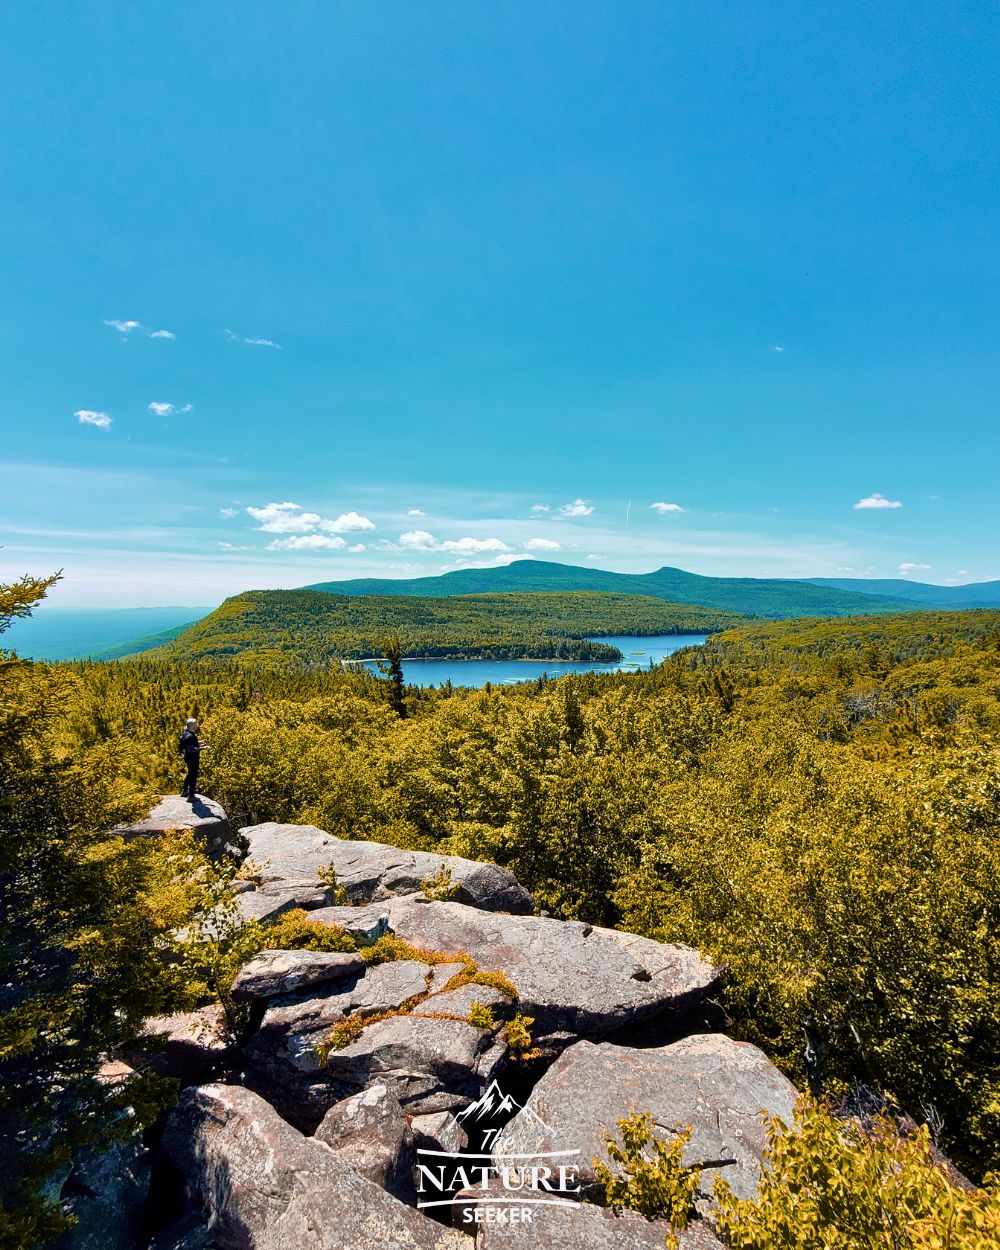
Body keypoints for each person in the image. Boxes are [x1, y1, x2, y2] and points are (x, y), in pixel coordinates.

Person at [179, 717, 208, 800]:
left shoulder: (185, 733)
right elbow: (191, 749)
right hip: (192, 758)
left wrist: (199, 743)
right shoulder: (191, 736)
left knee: (189, 773)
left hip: (187, 757)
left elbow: (189, 744)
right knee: (193, 776)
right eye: (196, 724)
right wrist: (203, 748)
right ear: (192, 725)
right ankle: (191, 796)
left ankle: (184, 791)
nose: (198, 725)